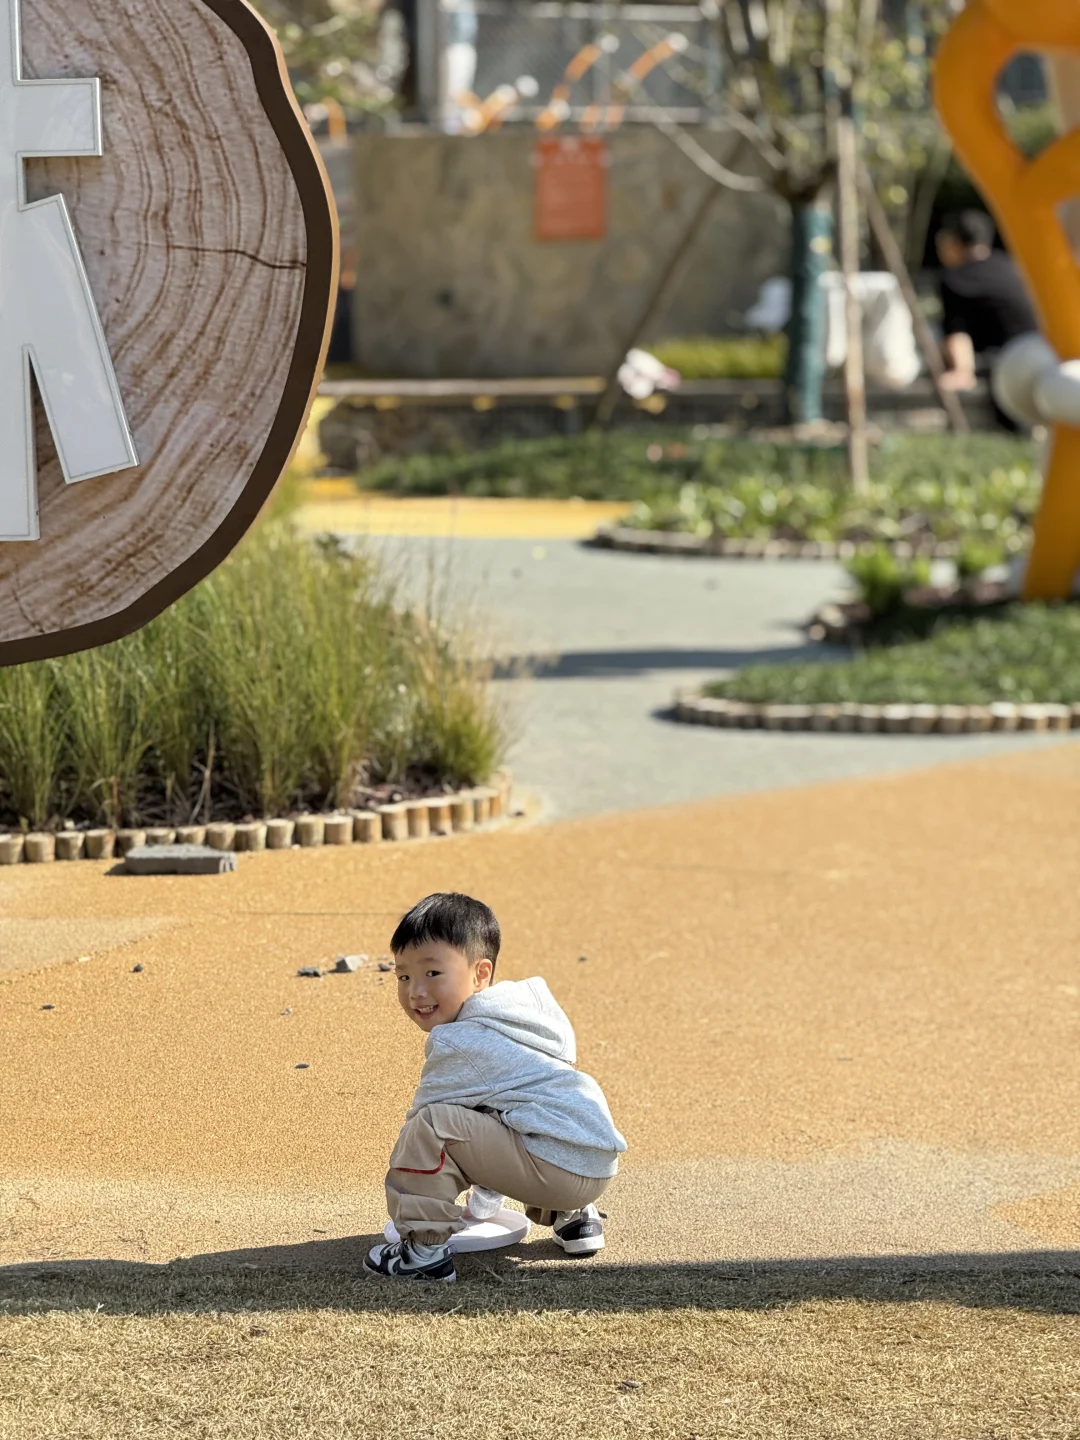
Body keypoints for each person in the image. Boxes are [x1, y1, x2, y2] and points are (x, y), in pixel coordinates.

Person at [365, 892, 627, 1283]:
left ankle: (423, 1253)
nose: (416, 991)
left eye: (432, 973)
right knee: (511, 1113)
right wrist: (484, 1201)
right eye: (403, 976)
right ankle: (573, 1217)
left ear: (480, 974)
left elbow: (426, 1127)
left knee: (430, 1127)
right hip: (596, 1166)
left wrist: (429, 1199)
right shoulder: (524, 1017)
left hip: (553, 1168)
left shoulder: (460, 1040)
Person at [936, 210, 1038, 425]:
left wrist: (961, 371)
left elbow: (957, 332)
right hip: (1044, 347)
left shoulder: (956, 278)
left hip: (1008, 359)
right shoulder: (1013, 266)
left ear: (954, 241)